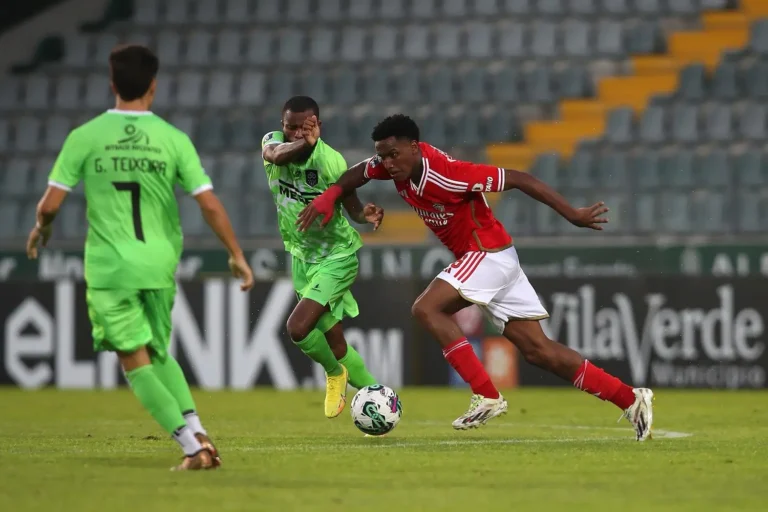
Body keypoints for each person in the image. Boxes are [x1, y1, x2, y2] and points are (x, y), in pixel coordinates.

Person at [297, 114, 654, 440]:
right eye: (383, 156)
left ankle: (486, 394)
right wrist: (332, 196)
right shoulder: (392, 167)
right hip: (495, 258)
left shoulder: (447, 173)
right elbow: (357, 173)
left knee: (426, 308)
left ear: (414, 148)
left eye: (393, 155)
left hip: (487, 254)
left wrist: (572, 214)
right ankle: (630, 398)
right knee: (540, 352)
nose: (387, 164)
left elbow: (518, 178)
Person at [25, 44, 255, 470]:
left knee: (134, 359)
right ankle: (198, 431)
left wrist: (43, 229)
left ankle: (192, 448)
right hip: (159, 263)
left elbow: (51, 204)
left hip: (111, 266)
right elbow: (208, 203)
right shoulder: (173, 138)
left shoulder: (86, 136)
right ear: (153, 85)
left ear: (112, 83)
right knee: (157, 352)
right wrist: (236, 254)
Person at [262, 96, 383, 419]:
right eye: (290, 127)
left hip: (337, 256)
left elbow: (351, 206)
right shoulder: (272, 144)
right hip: (302, 258)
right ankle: (382, 404)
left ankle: (333, 373)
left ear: (318, 125)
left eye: (305, 127)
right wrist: (305, 142)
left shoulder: (330, 161)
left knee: (298, 328)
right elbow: (277, 155)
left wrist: (365, 215)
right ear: (282, 126)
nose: (296, 133)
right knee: (336, 341)